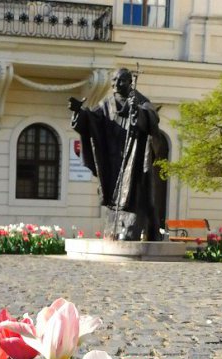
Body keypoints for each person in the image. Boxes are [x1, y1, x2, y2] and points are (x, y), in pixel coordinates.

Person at [69, 68, 162, 241]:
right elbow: (92, 119)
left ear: (129, 83)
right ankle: (115, 227)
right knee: (113, 195)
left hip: (133, 160)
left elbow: (152, 117)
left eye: (120, 81)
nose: (116, 84)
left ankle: (139, 229)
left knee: (140, 195)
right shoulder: (107, 104)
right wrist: (78, 113)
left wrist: (137, 113)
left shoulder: (140, 101)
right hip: (113, 159)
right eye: (114, 81)